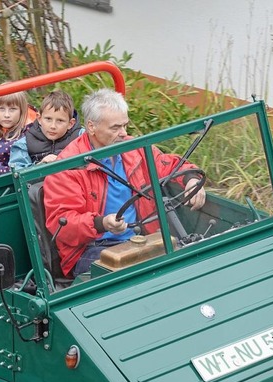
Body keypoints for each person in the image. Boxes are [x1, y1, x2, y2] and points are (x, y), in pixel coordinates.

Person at [43, 88, 206, 277]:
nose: (123, 133)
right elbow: (63, 224)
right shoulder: (68, 167)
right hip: (93, 249)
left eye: (125, 126)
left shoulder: (132, 148)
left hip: (140, 238)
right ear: (91, 126)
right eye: (115, 128)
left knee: (188, 260)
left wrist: (190, 178)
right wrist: (101, 223)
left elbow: (166, 164)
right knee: (138, 275)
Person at [9, 90, 83, 169]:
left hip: (73, 179)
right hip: (41, 180)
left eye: (60, 121)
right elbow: (17, 172)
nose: (53, 126)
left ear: (70, 124)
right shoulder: (24, 143)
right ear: (39, 118)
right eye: (48, 119)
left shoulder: (81, 137)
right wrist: (40, 165)